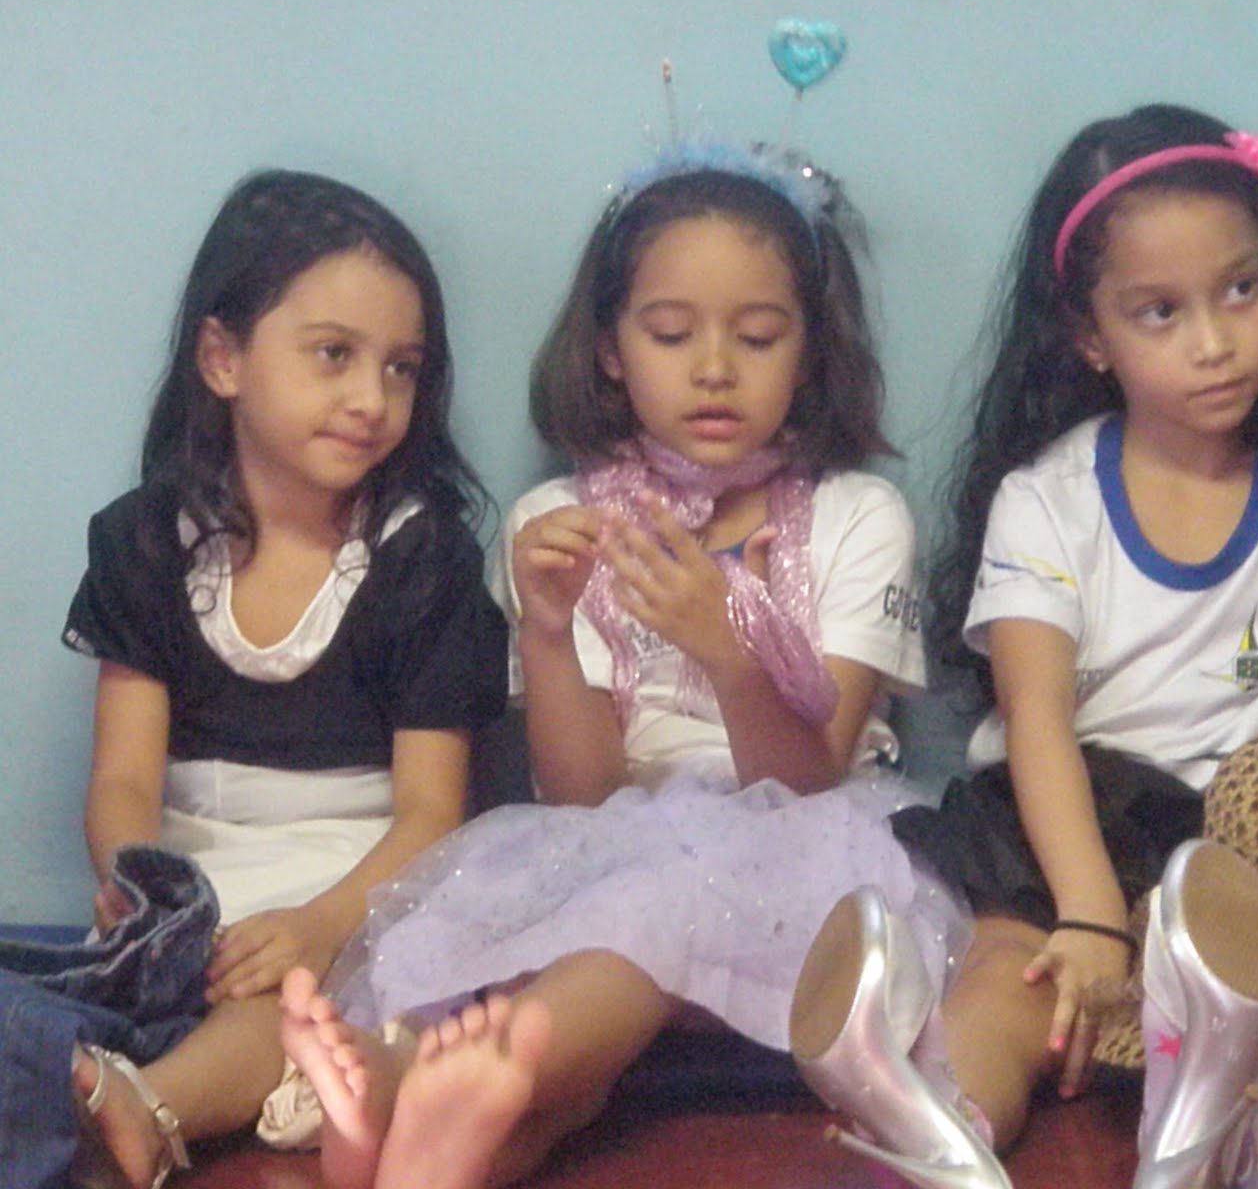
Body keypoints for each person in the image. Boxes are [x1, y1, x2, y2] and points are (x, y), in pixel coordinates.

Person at [276, 138, 967, 1189]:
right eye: (671, 333)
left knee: (660, 907)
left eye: (759, 336)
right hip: (613, 846)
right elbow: (583, 798)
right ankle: (451, 1146)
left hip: (809, 862)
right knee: (617, 944)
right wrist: (548, 633)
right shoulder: (560, 520)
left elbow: (809, 781)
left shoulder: (856, 515)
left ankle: (418, 1073)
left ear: (809, 351)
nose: (714, 368)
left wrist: (727, 652)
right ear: (609, 349)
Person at [788, 103, 1258, 1188]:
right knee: (1017, 979)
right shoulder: (1048, 502)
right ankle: (927, 1120)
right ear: (1090, 337)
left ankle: (1209, 1126)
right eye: (1159, 312)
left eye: (1241, 290)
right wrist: (1092, 913)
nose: (1213, 341)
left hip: (1241, 847)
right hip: (1072, 827)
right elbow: (1037, 719)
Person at [38, 169, 508, 1189]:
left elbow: (433, 814)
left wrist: (322, 925)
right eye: (334, 354)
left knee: (291, 1002)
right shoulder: (145, 542)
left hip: (363, 880)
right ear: (223, 358)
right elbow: (124, 779)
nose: (371, 399)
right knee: (131, 989)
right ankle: (156, 1077)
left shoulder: (423, 557)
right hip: (194, 881)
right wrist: (139, 886)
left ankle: (148, 1108)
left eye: (402, 368)